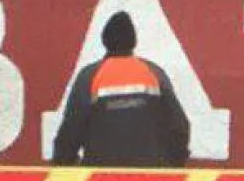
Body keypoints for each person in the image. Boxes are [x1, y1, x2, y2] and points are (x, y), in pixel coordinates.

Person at [51, 11, 192, 167]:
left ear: (105, 40)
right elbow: (179, 126)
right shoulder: (153, 73)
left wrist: (64, 164)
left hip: (100, 179)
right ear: (134, 41)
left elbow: (71, 131)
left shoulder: (89, 77)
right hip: (149, 178)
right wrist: (172, 164)